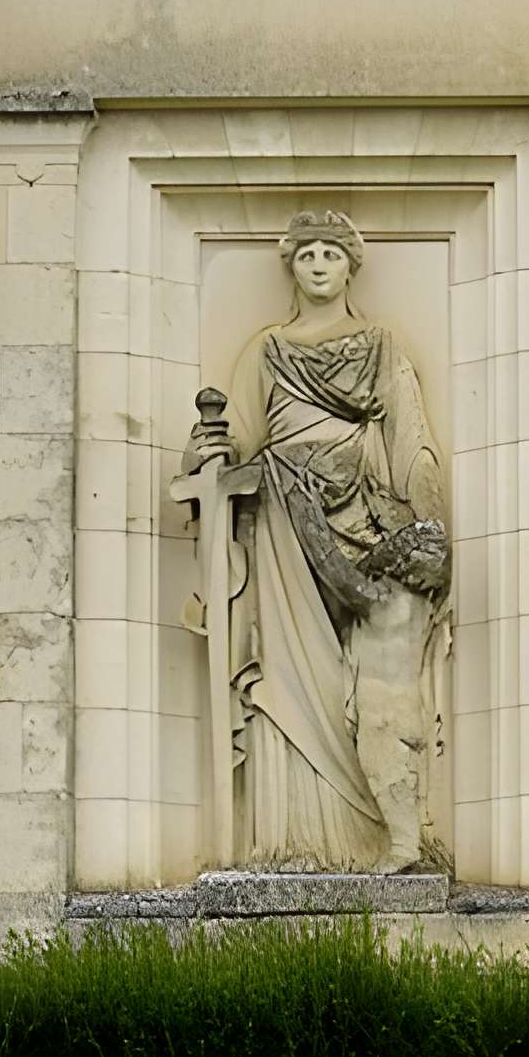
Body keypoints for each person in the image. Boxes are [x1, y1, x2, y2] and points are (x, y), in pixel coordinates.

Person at [196, 209, 450, 871]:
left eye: (329, 254)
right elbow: (243, 444)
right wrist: (206, 454)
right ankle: (300, 839)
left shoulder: (381, 348)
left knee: (380, 689)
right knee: (291, 677)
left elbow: (412, 442)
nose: (316, 264)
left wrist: (426, 533)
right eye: (305, 253)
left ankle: (392, 834)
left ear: (349, 265)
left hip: (370, 525)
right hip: (284, 526)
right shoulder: (267, 351)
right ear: (291, 265)